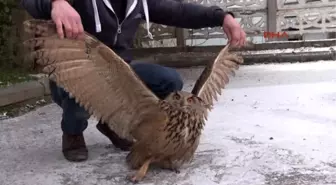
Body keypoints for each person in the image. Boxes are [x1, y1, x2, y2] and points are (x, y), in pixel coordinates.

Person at [20, 0, 246, 162]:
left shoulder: (139, 2)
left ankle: (115, 123)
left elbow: (178, 10)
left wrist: (222, 17)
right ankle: (73, 133)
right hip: (79, 68)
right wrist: (56, 2)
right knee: (77, 91)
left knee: (170, 82)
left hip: (122, 68)